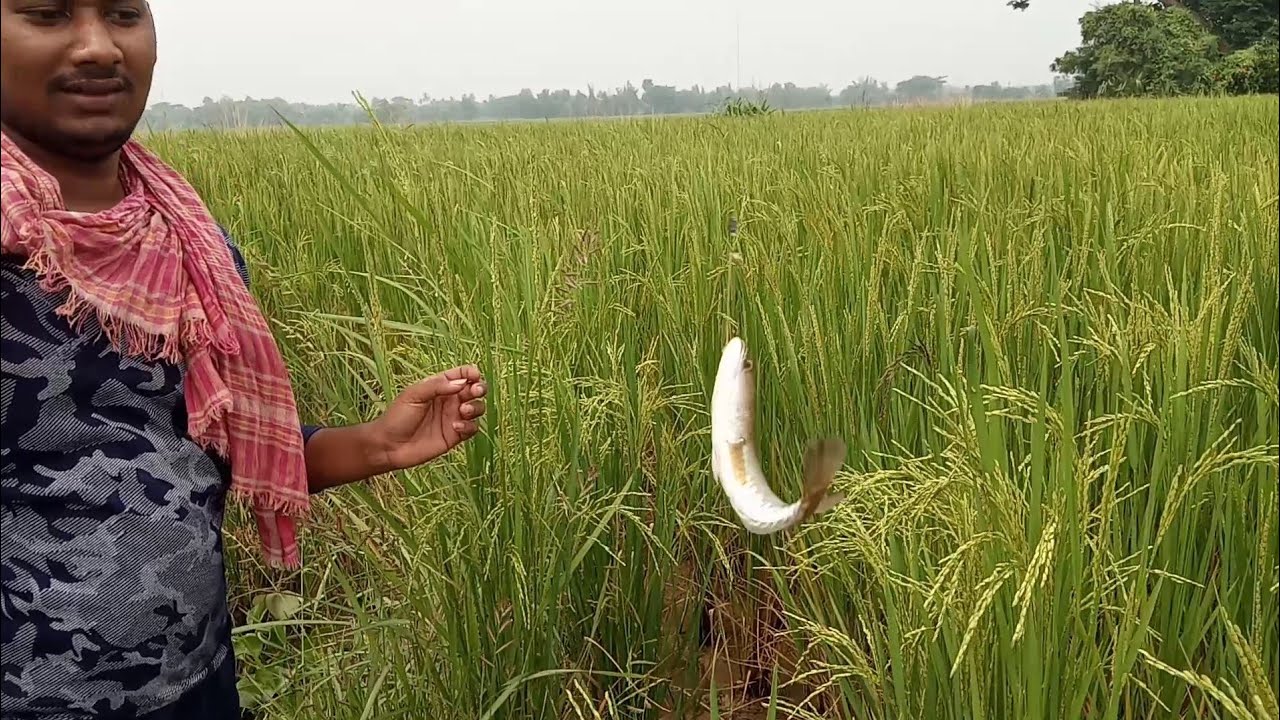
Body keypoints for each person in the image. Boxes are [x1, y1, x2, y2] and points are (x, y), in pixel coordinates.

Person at [0, 2, 488, 718]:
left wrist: (376, 443)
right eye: (47, 13)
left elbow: (210, 450)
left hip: (200, 687)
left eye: (124, 14)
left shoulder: (195, 250)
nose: (99, 46)